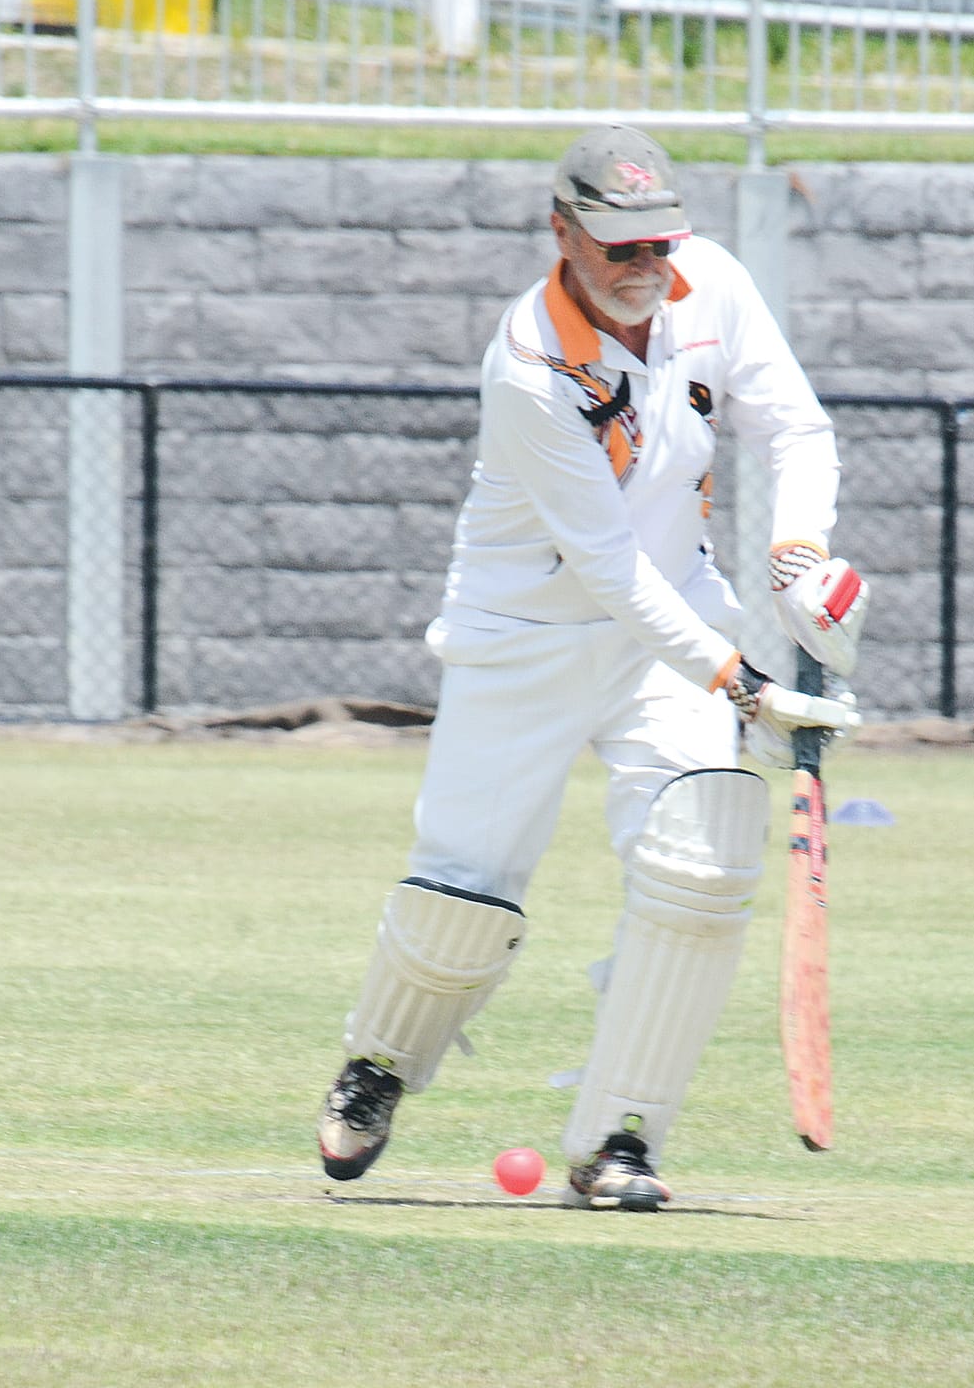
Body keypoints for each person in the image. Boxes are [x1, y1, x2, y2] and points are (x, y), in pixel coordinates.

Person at [315, 123, 870, 1210]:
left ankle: (618, 1138)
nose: (643, 269)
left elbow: (798, 431)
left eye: (660, 242)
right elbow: (607, 566)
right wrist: (745, 682)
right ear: (561, 232)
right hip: (521, 632)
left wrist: (796, 554)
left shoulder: (713, 291)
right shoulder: (527, 361)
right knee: (465, 887)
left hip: (671, 634)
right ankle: (377, 1061)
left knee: (702, 863)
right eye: (618, 247)